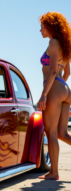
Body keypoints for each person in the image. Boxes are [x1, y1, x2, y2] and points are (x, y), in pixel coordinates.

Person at [38, 12, 71, 180]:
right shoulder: (64, 45)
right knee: (62, 133)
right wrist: (61, 87)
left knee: (51, 132)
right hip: (65, 90)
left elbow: (52, 71)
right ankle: (54, 172)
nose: (40, 30)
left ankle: (54, 172)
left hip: (54, 89)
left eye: (42, 26)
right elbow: (67, 72)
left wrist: (45, 95)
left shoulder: (53, 42)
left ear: (50, 26)